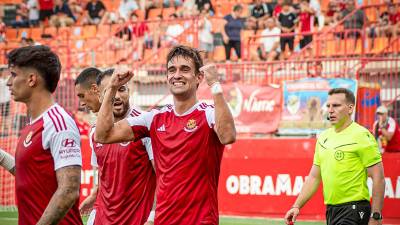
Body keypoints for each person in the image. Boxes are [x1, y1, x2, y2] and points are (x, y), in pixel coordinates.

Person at [94, 45, 236, 224]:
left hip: (201, 220)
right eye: (172, 70)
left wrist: (215, 85)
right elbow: (103, 135)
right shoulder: (154, 118)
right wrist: (112, 88)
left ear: (199, 77)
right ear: (167, 77)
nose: (177, 75)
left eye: (185, 69)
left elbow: (228, 136)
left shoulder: (208, 113)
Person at [4, 45, 83, 225]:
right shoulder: (32, 125)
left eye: (14, 75)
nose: (8, 82)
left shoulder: (58, 123)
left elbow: (69, 190)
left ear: (32, 79)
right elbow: (29, 174)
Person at [284, 88, 385, 225]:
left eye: (336, 105)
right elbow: (314, 177)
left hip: (355, 209)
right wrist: (296, 206)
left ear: (350, 108)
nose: (330, 110)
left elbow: (378, 177)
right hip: (332, 211)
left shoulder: (362, 135)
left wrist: (376, 216)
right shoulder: (323, 137)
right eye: (328, 106)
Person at [74, 67, 156, 225]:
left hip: (136, 219)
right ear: (100, 95)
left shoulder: (145, 125)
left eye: (122, 89)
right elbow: (102, 171)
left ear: (129, 90)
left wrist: (153, 216)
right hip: (102, 217)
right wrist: (94, 194)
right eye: (111, 91)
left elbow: (161, 176)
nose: (117, 96)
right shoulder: (95, 132)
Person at [0, 67, 11, 136]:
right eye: (4, 71)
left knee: (6, 116)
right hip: (0, 101)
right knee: (2, 116)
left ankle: (6, 130)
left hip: (6, 101)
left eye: (6, 71)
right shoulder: (1, 80)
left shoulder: (8, 79)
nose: (6, 72)